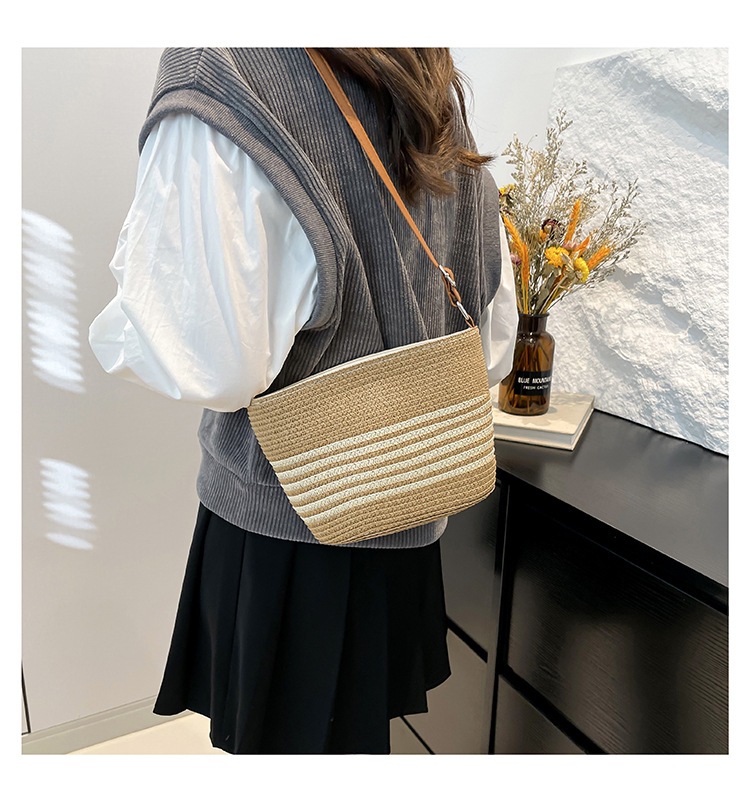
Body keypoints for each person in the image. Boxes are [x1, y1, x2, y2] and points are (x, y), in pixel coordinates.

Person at [89, 47, 518, 754]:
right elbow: (492, 340)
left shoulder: (223, 66)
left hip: (291, 525)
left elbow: (211, 360)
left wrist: (121, 320)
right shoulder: (428, 77)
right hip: (410, 507)